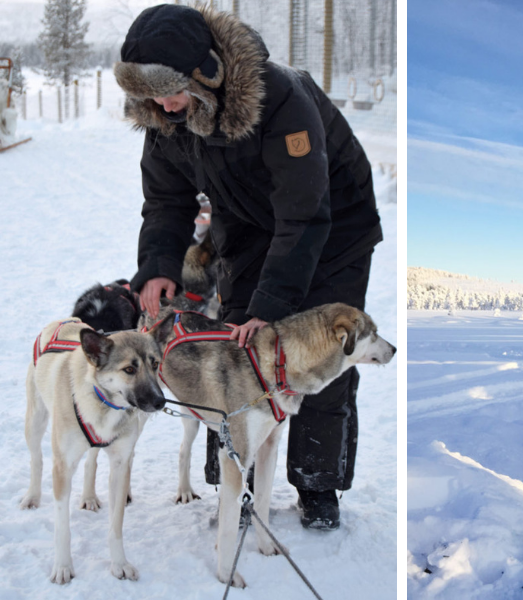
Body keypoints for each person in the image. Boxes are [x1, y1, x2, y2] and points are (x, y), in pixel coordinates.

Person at [114, 4, 382, 530]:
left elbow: (305, 213)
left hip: (334, 228)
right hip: (248, 225)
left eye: (170, 91)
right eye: (149, 97)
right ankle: (233, 483)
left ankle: (317, 483)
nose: (164, 106)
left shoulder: (280, 98)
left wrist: (271, 307)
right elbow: (166, 201)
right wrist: (159, 265)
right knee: (234, 355)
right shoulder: (165, 118)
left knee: (322, 359)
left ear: (205, 73)